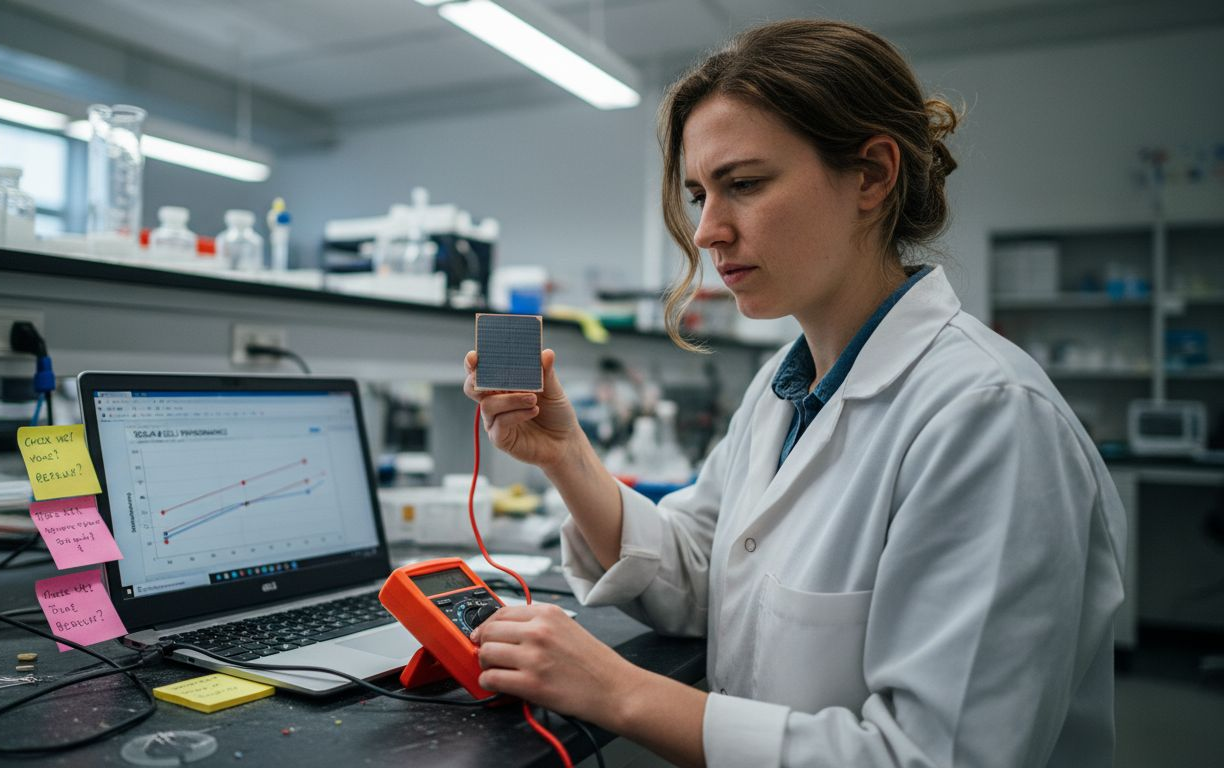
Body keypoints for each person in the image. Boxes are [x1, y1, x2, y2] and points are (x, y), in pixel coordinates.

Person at [463, 19, 1125, 768]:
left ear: (872, 175)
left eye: (743, 184)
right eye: (698, 193)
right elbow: (697, 574)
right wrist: (564, 454)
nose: (709, 230)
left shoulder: (988, 418)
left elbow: (937, 757)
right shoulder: (786, 387)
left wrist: (620, 692)